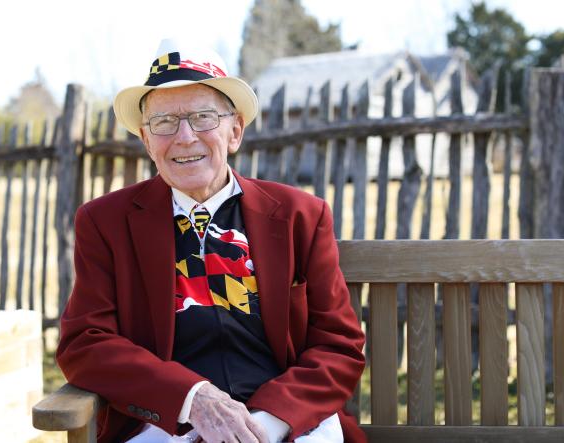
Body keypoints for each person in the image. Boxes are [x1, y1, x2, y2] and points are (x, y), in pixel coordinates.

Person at [56, 38, 366, 443]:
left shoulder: (299, 216)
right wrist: (191, 399)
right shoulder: (104, 222)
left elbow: (338, 345)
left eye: (203, 117)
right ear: (147, 141)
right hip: (168, 423)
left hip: (286, 423)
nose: (184, 137)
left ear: (234, 130)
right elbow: (85, 343)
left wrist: (265, 425)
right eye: (164, 122)